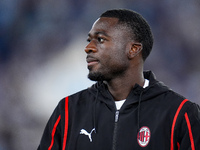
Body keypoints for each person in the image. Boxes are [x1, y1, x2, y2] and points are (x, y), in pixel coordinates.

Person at [37, 9, 200, 150]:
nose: (88, 47)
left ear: (133, 49)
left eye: (100, 39)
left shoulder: (180, 114)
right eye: (90, 40)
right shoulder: (67, 111)